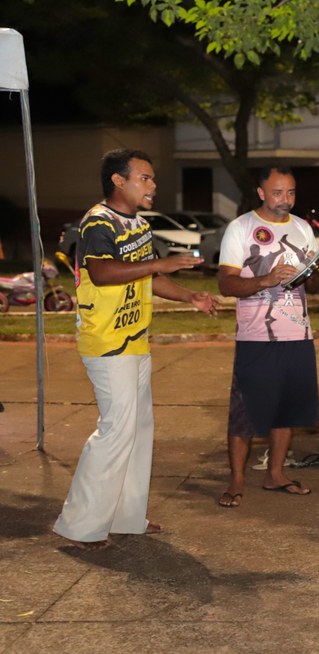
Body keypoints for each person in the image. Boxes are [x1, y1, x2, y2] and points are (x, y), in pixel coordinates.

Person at [53, 149, 219, 549]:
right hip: (107, 342)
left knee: (138, 431)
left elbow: (150, 277)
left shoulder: (140, 225)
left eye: (152, 178)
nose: (153, 185)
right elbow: (102, 272)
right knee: (115, 431)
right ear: (118, 180)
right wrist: (159, 265)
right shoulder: (98, 222)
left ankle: (126, 517)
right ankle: (80, 525)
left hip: (135, 339)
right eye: (145, 178)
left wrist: (190, 297)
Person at [215, 167, 319, 507]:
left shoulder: (303, 228)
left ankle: (275, 474)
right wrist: (266, 280)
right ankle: (236, 480)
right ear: (261, 192)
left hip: (298, 333)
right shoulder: (241, 228)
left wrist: (310, 271)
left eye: (290, 192)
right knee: (245, 412)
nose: (285, 199)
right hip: (256, 336)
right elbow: (226, 284)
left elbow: (317, 285)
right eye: (277, 192)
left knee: (287, 410)